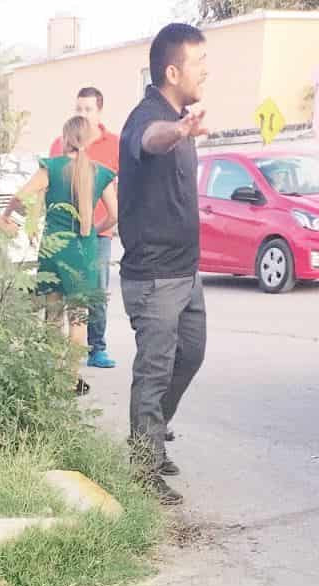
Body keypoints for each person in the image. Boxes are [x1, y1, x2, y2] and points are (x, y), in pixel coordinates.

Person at [118, 22, 209, 506]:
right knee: (154, 370)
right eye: (199, 65)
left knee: (190, 354)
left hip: (185, 272)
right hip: (154, 277)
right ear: (173, 71)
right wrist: (179, 130)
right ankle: (143, 466)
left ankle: (152, 435)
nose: (206, 73)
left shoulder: (180, 116)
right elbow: (150, 139)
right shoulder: (149, 117)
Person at [0, 116, 116, 396]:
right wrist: (94, 231)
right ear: (89, 139)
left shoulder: (52, 167)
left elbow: (22, 195)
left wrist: (6, 216)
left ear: (65, 138)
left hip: (54, 250)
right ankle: (71, 380)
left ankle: (50, 374)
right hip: (84, 252)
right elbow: (115, 216)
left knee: (53, 315)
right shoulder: (102, 172)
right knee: (78, 320)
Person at [50, 87, 119, 370]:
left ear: (99, 111)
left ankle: (97, 348)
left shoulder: (113, 144)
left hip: (98, 232)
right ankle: (56, 356)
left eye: (88, 109)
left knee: (95, 291)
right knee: (58, 294)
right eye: (79, 108)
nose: (83, 114)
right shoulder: (60, 143)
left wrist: (101, 227)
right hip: (63, 234)